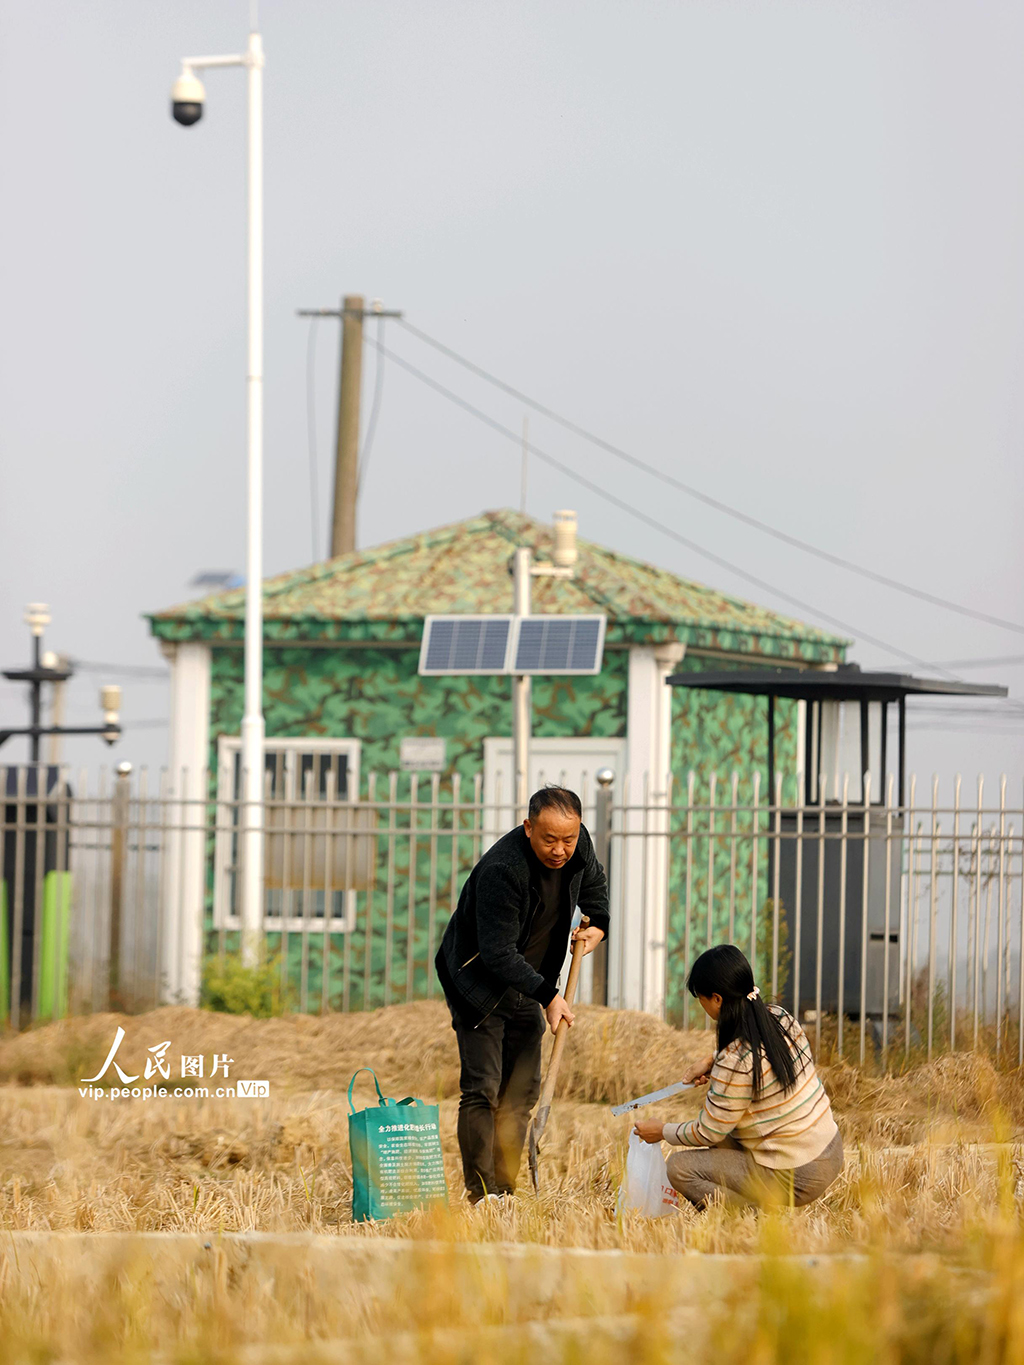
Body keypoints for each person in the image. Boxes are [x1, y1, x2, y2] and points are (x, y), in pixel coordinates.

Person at [436, 784, 609, 1203]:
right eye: (549, 839)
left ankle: (506, 1190)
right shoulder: (503, 869)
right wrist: (549, 996)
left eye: (568, 839)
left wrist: (598, 924)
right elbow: (496, 954)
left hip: (527, 982)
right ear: (528, 827)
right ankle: (481, 1195)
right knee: (483, 1087)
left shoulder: (577, 843)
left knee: (520, 1093)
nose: (560, 849)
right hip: (478, 983)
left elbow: (595, 886)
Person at [634, 944, 843, 1211]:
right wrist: (712, 1060)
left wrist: (661, 1131)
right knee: (728, 1131)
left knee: (679, 1169)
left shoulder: (734, 1060)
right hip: (831, 1150)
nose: (703, 1007)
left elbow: (708, 1131)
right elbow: (753, 1055)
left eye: (702, 999)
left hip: (797, 1174)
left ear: (717, 999)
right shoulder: (779, 1017)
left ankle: (751, 1219)